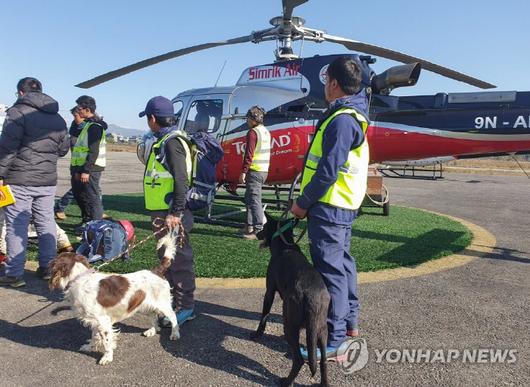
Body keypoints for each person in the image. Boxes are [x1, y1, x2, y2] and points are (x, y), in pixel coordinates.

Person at [290, 57, 370, 360]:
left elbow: (327, 171)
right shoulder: (353, 116)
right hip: (342, 205)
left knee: (331, 272)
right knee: (344, 265)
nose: (325, 87)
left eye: (326, 82)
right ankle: (349, 323)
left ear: (333, 83)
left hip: (329, 206)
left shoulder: (342, 119)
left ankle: (333, 337)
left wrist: (302, 202)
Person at [0, 77, 69, 287]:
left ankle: (14, 273)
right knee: (45, 222)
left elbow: (7, 148)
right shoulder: (57, 118)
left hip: (19, 178)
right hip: (47, 181)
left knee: (16, 225)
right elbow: (63, 149)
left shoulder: (17, 112)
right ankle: (48, 269)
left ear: (21, 92)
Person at [140, 96, 196, 324]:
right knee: (167, 258)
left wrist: (176, 212)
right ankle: (174, 301)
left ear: (153, 119)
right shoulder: (164, 140)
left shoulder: (171, 142)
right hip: (163, 212)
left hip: (171, 213)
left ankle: (186, 307)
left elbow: (181, 180)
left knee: (179, 259)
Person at [70, 96, 108, 229]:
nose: (77, 110)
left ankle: (97, 226)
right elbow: (73, 132)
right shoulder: (86, 125)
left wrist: (86, 170)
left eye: (79, 108)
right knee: (79, 195)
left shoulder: (94, 127)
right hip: (80, 167)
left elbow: (93, 151)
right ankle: (86, 221)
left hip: (91, 169)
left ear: (87, 109)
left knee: (92, 197)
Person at [238, 106, 271, 239]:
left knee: (254, 200)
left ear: (253, 119)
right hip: (263, 171)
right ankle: (249, 225)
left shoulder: (252, 133)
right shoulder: (265, 131)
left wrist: (243, 171)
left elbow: (249, 154)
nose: (246, 121)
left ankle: (258, 229)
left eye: (247, 118)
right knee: (250, 198)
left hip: (255, 170)